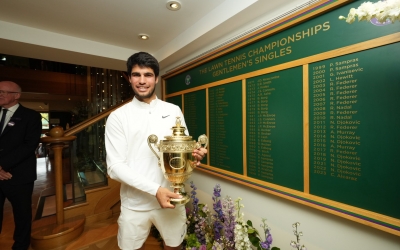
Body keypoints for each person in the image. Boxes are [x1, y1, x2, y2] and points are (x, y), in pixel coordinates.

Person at [105, 52, 207, 250]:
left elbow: (184, 150)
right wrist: (155, 190)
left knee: (174, 246)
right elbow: (115, 167)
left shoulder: (173, 110)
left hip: (172, 197)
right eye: (136, 75)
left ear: (156, 78)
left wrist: (193, 155)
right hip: (135, 204)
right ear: (129, 77)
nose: (142, 81)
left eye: (148, 75)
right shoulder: (118, 117)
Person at [0, 81, 42, 250]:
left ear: (16, 96)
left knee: (22, 215)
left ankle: (21, 246)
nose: (0, 94)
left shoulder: (31, 116)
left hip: (19, 176)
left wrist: (2, 166)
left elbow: (29, 145)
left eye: (3, 91)